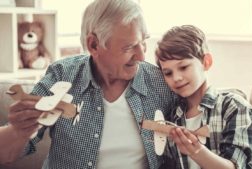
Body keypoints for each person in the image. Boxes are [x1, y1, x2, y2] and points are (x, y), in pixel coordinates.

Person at [0, 0, 176, 168]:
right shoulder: (62, 75)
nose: (142, 56)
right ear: (94, 45)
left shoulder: (160, 82)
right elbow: (5, 154)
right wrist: (18, 131)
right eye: (129, 47)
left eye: (143, 42)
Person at [155, 25, 252, 169]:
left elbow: (236, 166)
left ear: (206, 62)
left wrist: (197, 151)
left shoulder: (235, 108)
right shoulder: (172, 115)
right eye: (168, 73)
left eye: (184, 67)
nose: (177, 78)